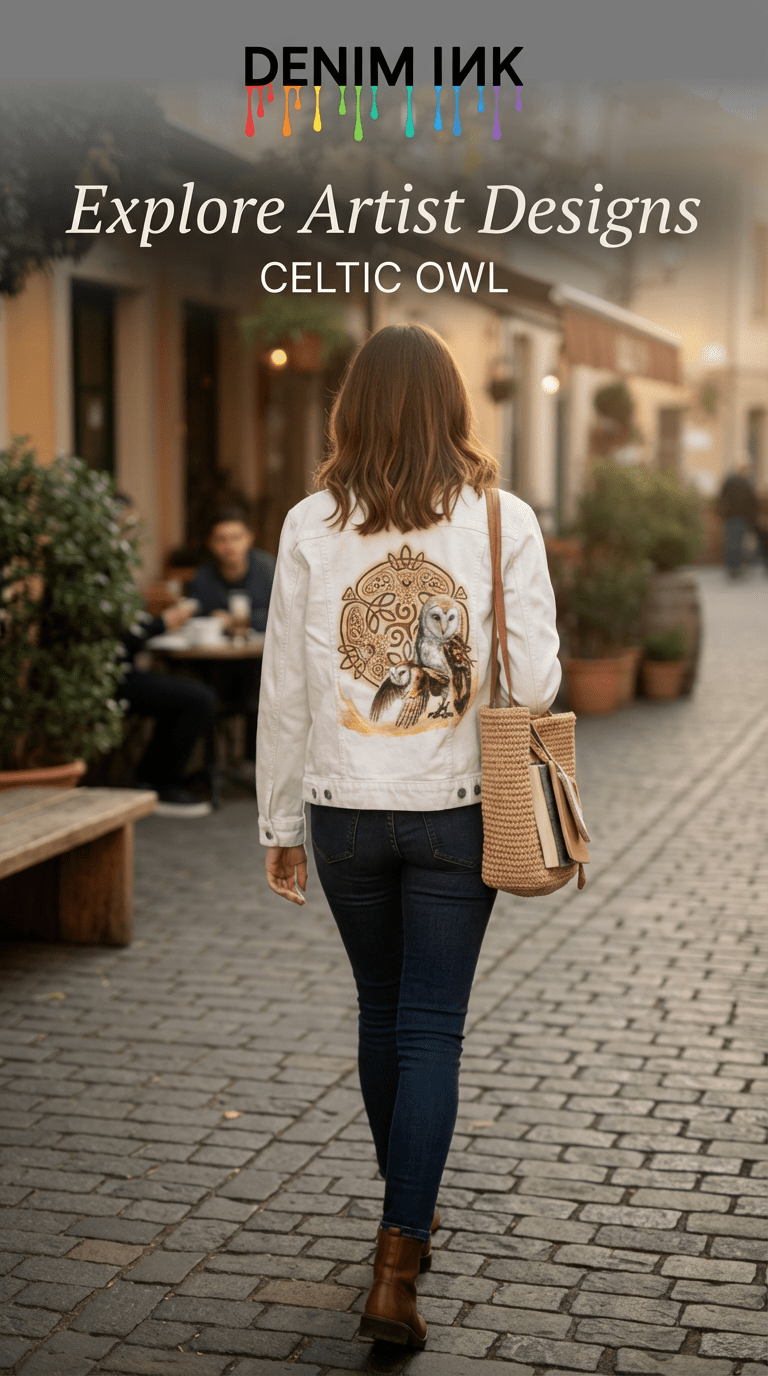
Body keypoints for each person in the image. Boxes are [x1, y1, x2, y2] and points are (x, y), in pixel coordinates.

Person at [256, 325, 561, 1350]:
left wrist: (277, 819)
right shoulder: (498, 517)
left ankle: (405, 1220)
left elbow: (286, 686)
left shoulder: (309, 522)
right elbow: (543, 681)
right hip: (459, 803)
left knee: (381, 1009)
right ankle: (399, 1255)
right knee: (430, 1027)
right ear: (452, 408)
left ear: (351, 409)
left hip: (344, 804)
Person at [114, 494, 217, 818]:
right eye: (126, 522)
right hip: (110, 678)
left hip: (120, 671)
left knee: (193, 694)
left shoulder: (110, 566)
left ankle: (152, 777)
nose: (131, 530)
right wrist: (162, 623)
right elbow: (120, 641)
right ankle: (161, 782)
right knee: (197, 698)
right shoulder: (99, 570)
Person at [186, 508, 276, 761]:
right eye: (221, 539)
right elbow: (194, 618)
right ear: (211, 544)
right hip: (212, 667)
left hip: (260, 667)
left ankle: (255, 760)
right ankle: (212, 764)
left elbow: (284, 614)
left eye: (236, 537)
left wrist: (241, 621)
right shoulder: (203, 578)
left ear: (249, 538)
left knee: (259, 688)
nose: (229, 546)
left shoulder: (268, 570)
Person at [717, 465, 758, 577]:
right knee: (738, 543)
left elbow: (721, 497)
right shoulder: (747, 483)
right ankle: (736, 568)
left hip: (732, 516)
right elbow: (753, 502)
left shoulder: (730, 481)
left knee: (731, 542)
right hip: (742, 517)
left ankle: (732, 568)